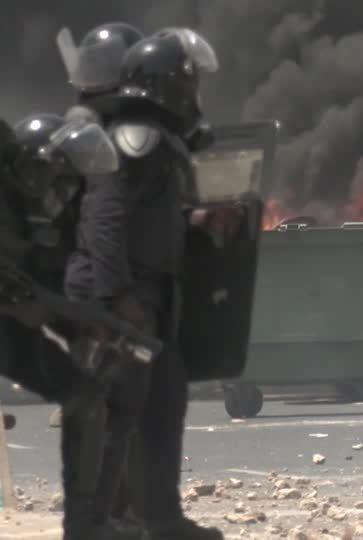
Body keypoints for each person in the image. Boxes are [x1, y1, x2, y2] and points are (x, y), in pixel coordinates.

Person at [58, 25, 226, 540]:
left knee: (162, 403)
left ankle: (160, 519)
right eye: (188, 83)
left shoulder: (156, 140)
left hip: (148, 296)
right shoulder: (134, 137)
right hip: (118, 295)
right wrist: (117, 300)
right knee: (113, 416)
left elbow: (150, 216)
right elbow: (106, 220)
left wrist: (199, 222)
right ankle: (92, 526)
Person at [0, 113, 150, 540]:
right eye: (59, 183)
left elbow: (48, 289)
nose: (63, 195)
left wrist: (91, 329)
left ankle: (89, 525)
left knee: (88, 394)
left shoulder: (40, 217)